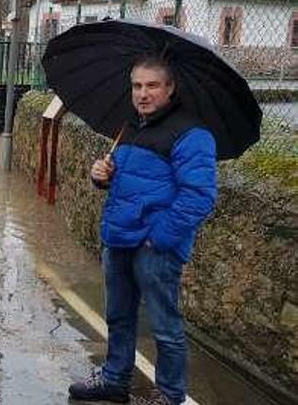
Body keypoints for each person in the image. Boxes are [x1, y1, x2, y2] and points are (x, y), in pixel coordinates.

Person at [68, 55, 217, 405]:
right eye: (137, 85)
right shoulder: (130, 127)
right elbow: (128, 180)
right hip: (118, 238)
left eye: (152, 85)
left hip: (155, 247)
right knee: (118, 316)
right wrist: (100, 175)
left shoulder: (192, 135)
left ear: (170, 88)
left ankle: (169, 394)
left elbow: (199, 196)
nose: (143, 93)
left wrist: (158, 238)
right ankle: (115, 381)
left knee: (164, 326)